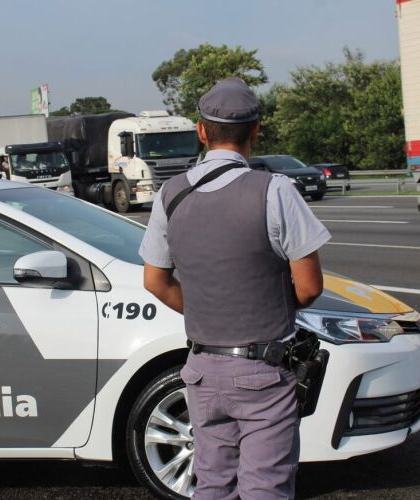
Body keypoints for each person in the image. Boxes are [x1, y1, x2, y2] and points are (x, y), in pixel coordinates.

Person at [139, 77, 330, 500]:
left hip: (202, 369)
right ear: (256, 131)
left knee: (212, 485)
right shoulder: (275, 190)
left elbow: (154, 280)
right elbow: (310, 286)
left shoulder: (170, 194)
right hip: (263, 369)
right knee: (266, 487)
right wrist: (261, 306)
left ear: (201, 130)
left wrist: (208, 311)